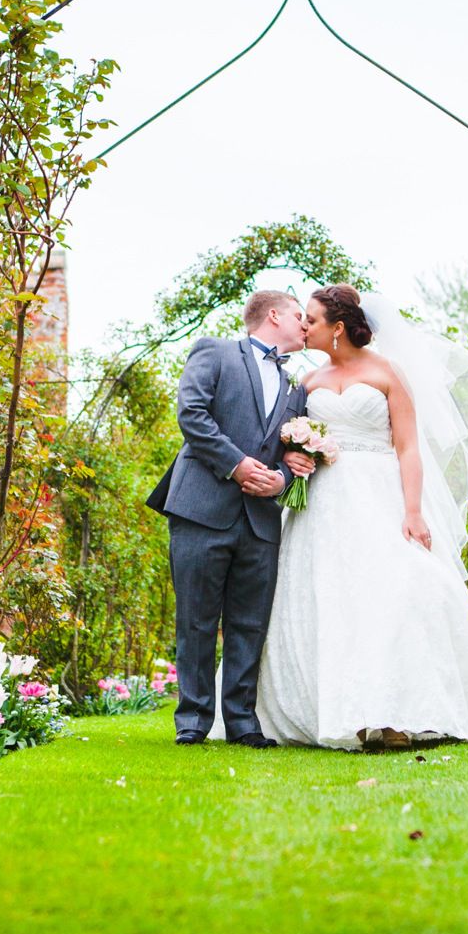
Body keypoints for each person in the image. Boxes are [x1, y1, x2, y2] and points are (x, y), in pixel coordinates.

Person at [247, 284, 468, 751]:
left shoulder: (387, 373)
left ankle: (400, 713)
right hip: (322, 506)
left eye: (312, 320)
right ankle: (345, 714)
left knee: (399, 592)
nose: (304, 326)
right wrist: (296, 457)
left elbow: (408, 447)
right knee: (330, 602)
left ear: (338, 328)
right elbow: (283, 443)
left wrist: (414, 512)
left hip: (379, 496)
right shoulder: (307, 383)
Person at [146, 290, 309, 747]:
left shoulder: (299, 386)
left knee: (250, 622)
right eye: (300, 315)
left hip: (261, 518)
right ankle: (193, 722)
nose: (306, 325)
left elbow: (295, 455)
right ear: (273, 314)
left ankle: (241, 722)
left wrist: (279, 480)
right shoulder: (214, 352)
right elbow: (192, 416)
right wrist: (236, 465)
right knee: (196, 619)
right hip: (201, 507)